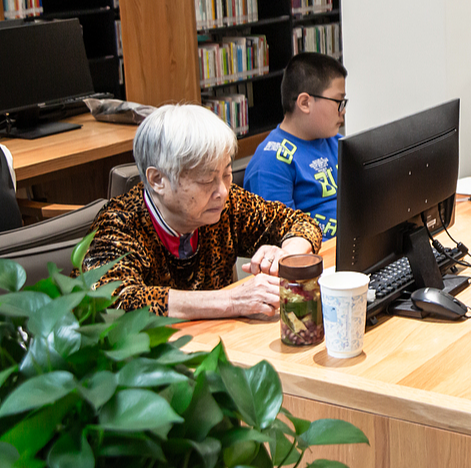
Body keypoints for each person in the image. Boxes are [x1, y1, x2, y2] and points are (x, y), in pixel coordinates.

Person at [81, 104, 323, 320]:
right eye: (207, 179)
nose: (223, 191)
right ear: (158, 180)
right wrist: (231, 301)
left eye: (226, 174)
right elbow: (113, 300)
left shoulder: (226, 204)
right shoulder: (118, 223)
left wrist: (285, 254)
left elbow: (300, 222)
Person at [244, 53, 347, 241]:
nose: (343, 111)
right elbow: (280, 241)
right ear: (305, 103)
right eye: (338, 102)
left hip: (349, 248)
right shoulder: (271, 162)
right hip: (314, 260)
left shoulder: (335, 142)